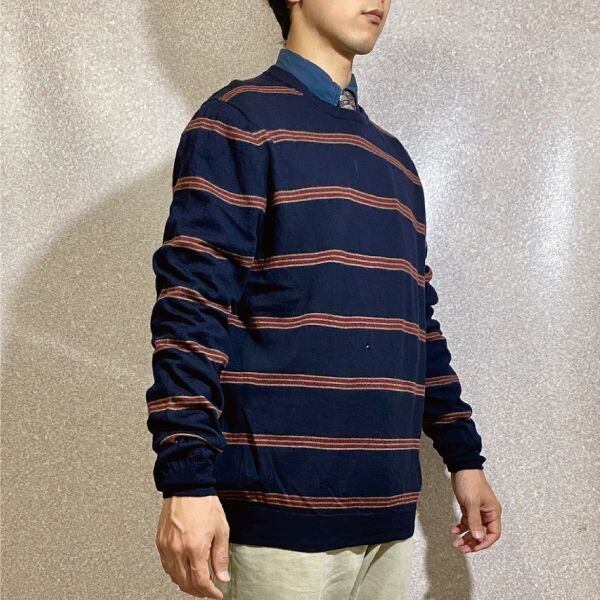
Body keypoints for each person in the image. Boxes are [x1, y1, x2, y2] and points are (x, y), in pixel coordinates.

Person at [146, 1, 503, 598]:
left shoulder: (394, 161)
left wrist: (464, 459)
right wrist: (186, 480)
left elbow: (417, 326)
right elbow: (191, 309)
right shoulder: (238, 122)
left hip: (386, 517)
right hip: (276, 519)